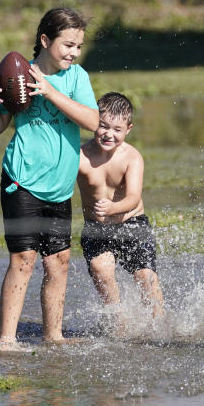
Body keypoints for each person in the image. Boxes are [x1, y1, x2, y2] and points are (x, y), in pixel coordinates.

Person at [0, 7, 99, 350]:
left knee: (59, 262)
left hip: (59, 186)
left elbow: (92, 121)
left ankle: (54, 336)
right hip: (22, 180)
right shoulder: (18, 75)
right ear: (45, 40)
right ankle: (6, 340)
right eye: (68, 45)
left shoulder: (77, 78)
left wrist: (49, 92)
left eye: (79, 46)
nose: (74, 53)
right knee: (24, 259)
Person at [77, 92, 165, 332]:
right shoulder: (81, 156)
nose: (108, 133)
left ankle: (159, 326)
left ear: (128, 129)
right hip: (96, 227)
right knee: (100, 269)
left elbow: (134, 197)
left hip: (132, 223)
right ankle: (119, 323)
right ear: (93, 121)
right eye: (103, 126)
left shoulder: (132, 157)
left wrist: (113, 207)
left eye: (117, 129)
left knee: (145, 277)